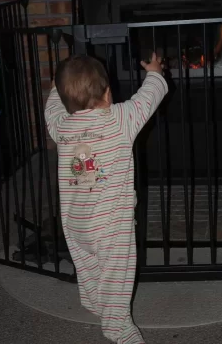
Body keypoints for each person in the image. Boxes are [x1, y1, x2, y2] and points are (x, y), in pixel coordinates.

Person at [45, 52, 168, 344]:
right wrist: (155, 72)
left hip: (75, 221)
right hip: (111, 224)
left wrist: (54, 86)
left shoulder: (61, 126)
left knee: (87, 262)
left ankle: (94, 300)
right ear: (108, 92)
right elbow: (149, 97)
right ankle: (117, 327)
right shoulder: (119, 120)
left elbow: (51, 107)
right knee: (117, 275)